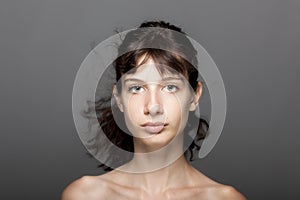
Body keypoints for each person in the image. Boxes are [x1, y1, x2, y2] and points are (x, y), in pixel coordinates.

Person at [62, 21, 247, 199]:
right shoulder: (85, 195)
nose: (153, 107)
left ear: (194, 96)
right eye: (137, 88)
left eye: (170, 87)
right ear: (119, 99)